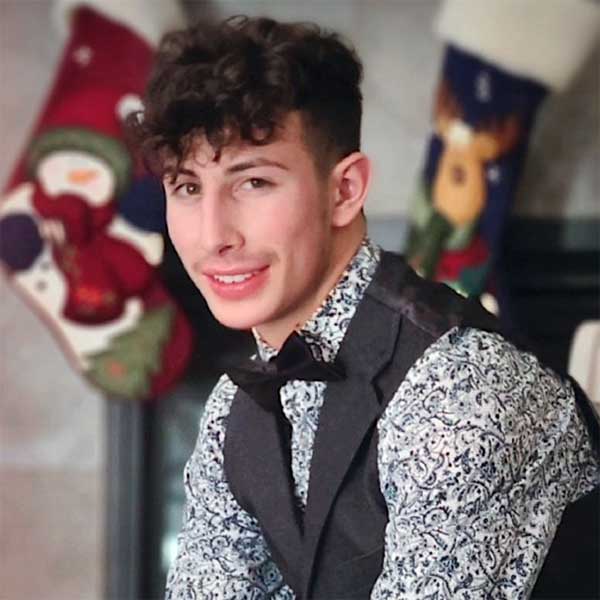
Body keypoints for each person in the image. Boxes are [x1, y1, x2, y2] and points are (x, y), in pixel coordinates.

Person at [132, 16, 600, 599]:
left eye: (253, 183)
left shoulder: (461, 394)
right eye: (187, 187)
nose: (213, 235)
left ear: (345, 190)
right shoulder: (237, 406)